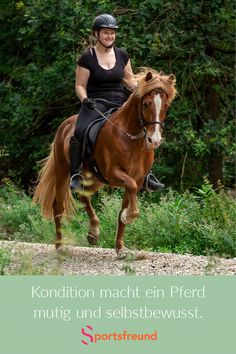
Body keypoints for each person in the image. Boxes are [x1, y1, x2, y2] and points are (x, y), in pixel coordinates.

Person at [70, 13, 164, 191]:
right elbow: (80, 85)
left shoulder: (122, 55)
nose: (109, 36)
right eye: (106, 33)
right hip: (95, 103)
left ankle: (147, 174)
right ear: (96, 34)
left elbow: (129, 80)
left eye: (112, 33)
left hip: (119, 102)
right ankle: (75, 174)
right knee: (80, 130)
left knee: (146, 126)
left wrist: (141, 88)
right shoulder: (87, 57)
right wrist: (85, 100)